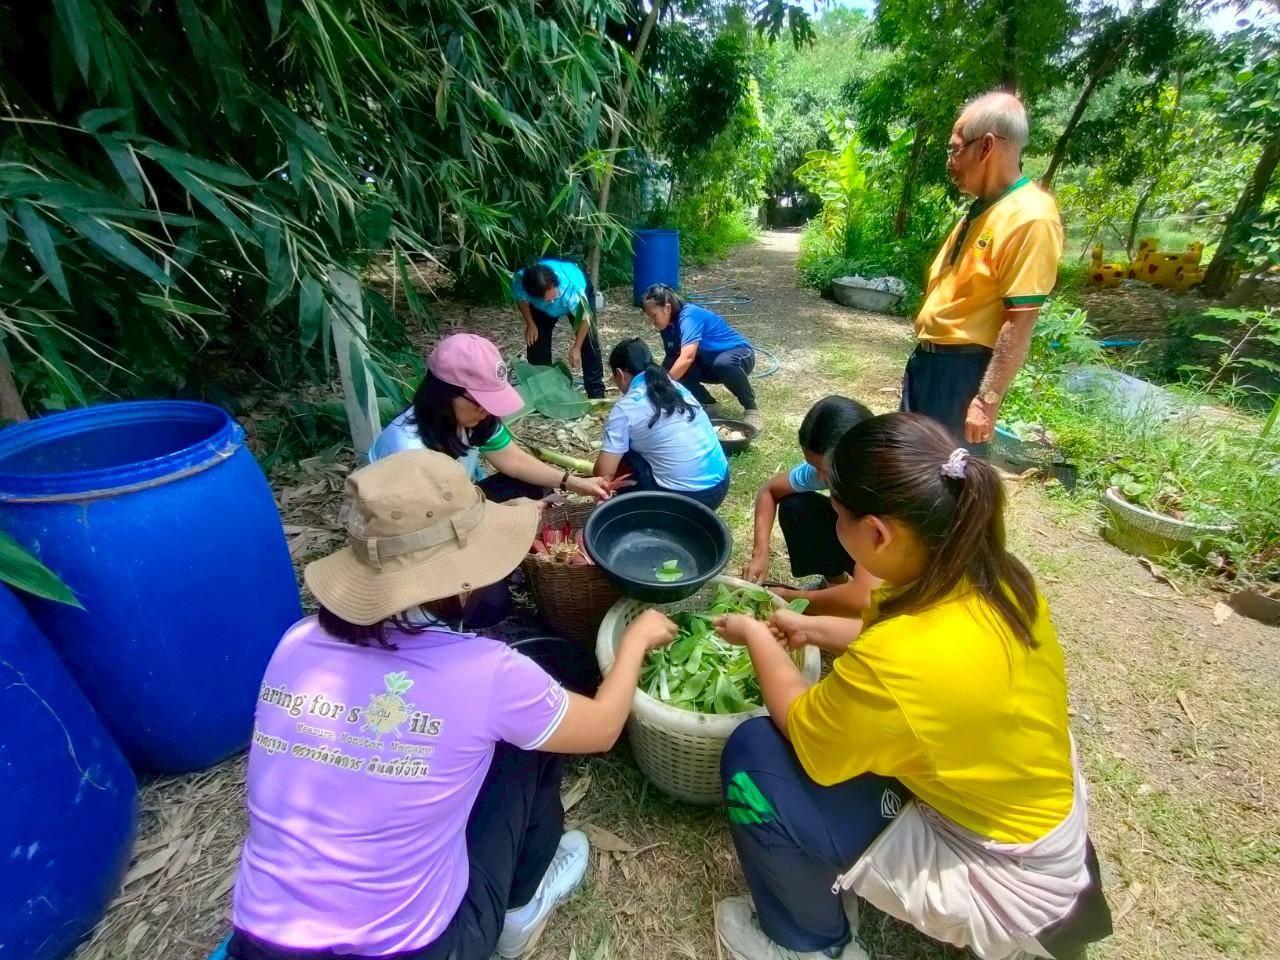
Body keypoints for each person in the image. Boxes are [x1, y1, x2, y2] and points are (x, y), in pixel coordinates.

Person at [227, 450, 678, 960]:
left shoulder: (297, 643)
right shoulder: (486, 673)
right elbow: (600, 729)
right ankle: (518, 911)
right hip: (420, 948)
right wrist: (636, 640)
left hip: (259, 941)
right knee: (531, 745)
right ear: (461, 578)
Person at [712, 412, 1112, 960]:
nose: (832, 524)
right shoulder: (993, 574)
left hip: (1010, 879)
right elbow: (888, 644)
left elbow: (805, 733)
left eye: (836, 515)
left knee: (755, 754)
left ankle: (807, 943)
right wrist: (807, 627)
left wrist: (757, 637)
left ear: (876, 532)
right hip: (1042, 825)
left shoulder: (899, 660)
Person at [903, 91, 1063, 456]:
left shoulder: (1030, 215)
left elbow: (1019, 321)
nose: (950, 162)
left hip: (962, 373)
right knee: (911, 474)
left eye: (955, 150)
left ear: (987, 146)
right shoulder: (980, 210)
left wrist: (986, 400)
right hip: (930, 364)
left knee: (947, 482)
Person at [370, 333, 610, 503]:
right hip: (416, 529)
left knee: (534, 484)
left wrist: (574, 482)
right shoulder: (407, 451)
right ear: (443, 394)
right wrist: (507, 515)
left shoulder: (473, 419)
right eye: (480, 402)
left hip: (457, 501)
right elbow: (427, 526)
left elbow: (515, 461)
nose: (487, 411)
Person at [742, 396, 878, 616]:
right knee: (795, 505)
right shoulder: (831, 469)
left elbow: (864, 598)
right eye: (814, 466)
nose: (820, 477)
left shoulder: (883, 488)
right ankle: (836, 584)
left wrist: (789, 599)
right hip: (868, 546)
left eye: (825, 469)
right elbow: (769, 491)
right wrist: (760, 554)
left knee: (871, 606)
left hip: (911, 571)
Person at [593, 338, 730, 510]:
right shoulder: (675, 387)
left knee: (626, 455)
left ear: (620, 374)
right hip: (720, 487)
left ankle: (638, 512)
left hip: (685, 501)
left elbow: (604, 475)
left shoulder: (625, 408)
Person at [641, 283, 762, 430]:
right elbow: (672, 360)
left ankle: (752, 409)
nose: (651, 322)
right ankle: (708, 404)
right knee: (674, 371)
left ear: (667, 308)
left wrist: (663, 386)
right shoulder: (667, 326)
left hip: (739, 355)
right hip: (709, 363)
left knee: (722, 363)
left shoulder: (689, 316)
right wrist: (652, 384)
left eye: (653, 316)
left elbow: (687, 357)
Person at [512, 258, 605, 399]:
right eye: (546, 299)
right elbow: (521, 299)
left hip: (573, 295)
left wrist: (576, 347)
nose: (550, 301)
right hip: (541, 308)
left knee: (589, 343)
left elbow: (585, 319)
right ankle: (543, 393)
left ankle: (596, 392)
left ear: (555, 284)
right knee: (536, 342)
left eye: (552, 295)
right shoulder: (522, 281)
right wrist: (530, 324)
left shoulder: (573, 290)